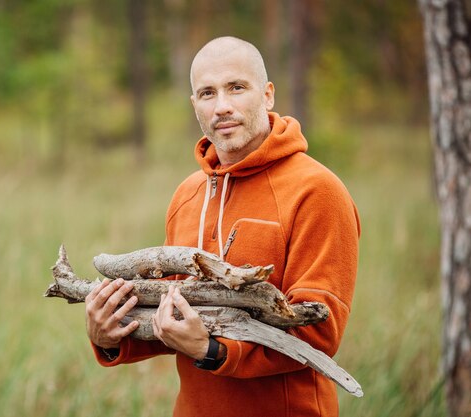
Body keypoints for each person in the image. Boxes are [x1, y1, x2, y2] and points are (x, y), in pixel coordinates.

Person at [84, 36, 360, 417]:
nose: (223, 107)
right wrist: (110, 336)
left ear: (267, 95)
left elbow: (319, 329)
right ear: (194, 105)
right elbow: (172, 317)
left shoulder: (317, 191)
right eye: (207, 93)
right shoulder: (188, 194)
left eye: (236, 88)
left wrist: (213, 352)